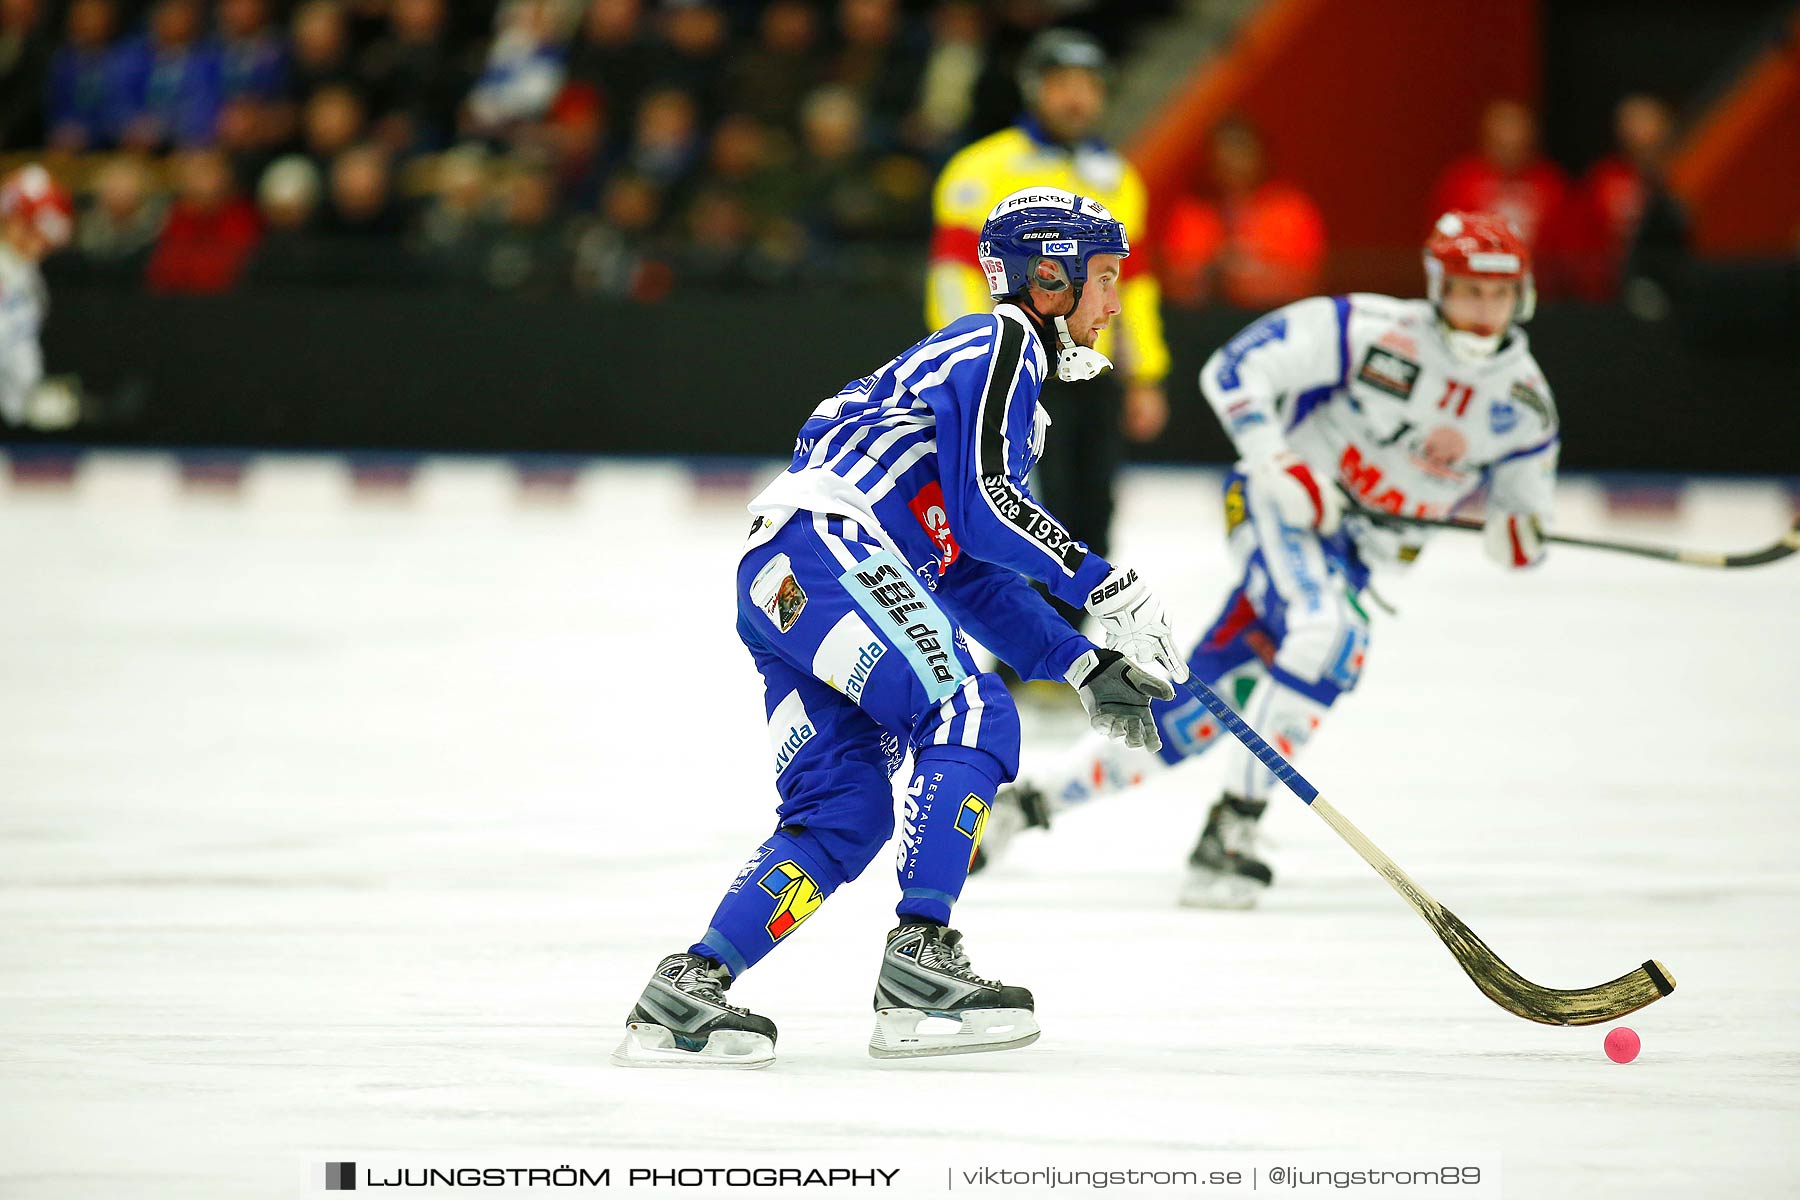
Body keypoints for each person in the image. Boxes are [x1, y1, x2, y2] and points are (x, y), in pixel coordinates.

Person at [614, 189, 1188, 1069]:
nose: (1115, 304)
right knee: (969, 712)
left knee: (842, 813)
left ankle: (689, 986)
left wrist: (1082, 665)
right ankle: (921, 954)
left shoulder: (1002, 383)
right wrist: (1101, 580)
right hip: (830, 549)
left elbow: (963, 569)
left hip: (787, 576)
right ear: (1048, 280)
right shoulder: (1001, 343)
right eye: (1104, 279)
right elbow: (985, 510)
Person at [979, 212, 1563, 909]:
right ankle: (1232, 829)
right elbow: (1235, 368)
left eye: (1497, 295)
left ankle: (1025, 805)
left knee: (1193, 720)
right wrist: (1278, 460)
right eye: (1468, 291)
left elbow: (1524, 519)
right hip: (1273, 510)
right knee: (1330, 633)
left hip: (1354, 559)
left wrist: (1518, 535)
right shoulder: (1370, 327)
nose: (1482, 312)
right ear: (1438, 287)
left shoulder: (1527, 406)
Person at [927, 30, 1170, 619]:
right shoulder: (979, 169)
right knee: (1016, 511)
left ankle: (1074, 645)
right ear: (1035, 89)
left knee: (1092, 509)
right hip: (1012, 370)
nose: (1077, 100)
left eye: (1088, 87)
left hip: (1092, 370)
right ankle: (1019, 656)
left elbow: (1132, 287)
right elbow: (951, 277)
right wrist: (973, 357)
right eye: (1063, 85)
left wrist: (1147, 375)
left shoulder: (1117, 177)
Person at [0, 165, 73, 429]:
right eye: (32, 230)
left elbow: (21, 348)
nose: (41, 243)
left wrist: (31, 398)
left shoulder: (26, 272)